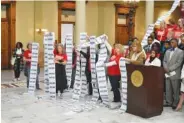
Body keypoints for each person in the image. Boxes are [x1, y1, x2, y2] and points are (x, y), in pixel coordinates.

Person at [163, 38, 184, 110]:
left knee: (175, 89)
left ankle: (175, 103)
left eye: (173, 42)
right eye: (171, 42)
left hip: (175, 73)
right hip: (167, 73)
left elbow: (179, 63)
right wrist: (165, 68)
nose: (171, 44)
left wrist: (169, 69)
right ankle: (169, 102)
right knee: (168, 88)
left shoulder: (181, 52)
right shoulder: (167, 51)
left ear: (177, 43)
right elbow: (164, 61)